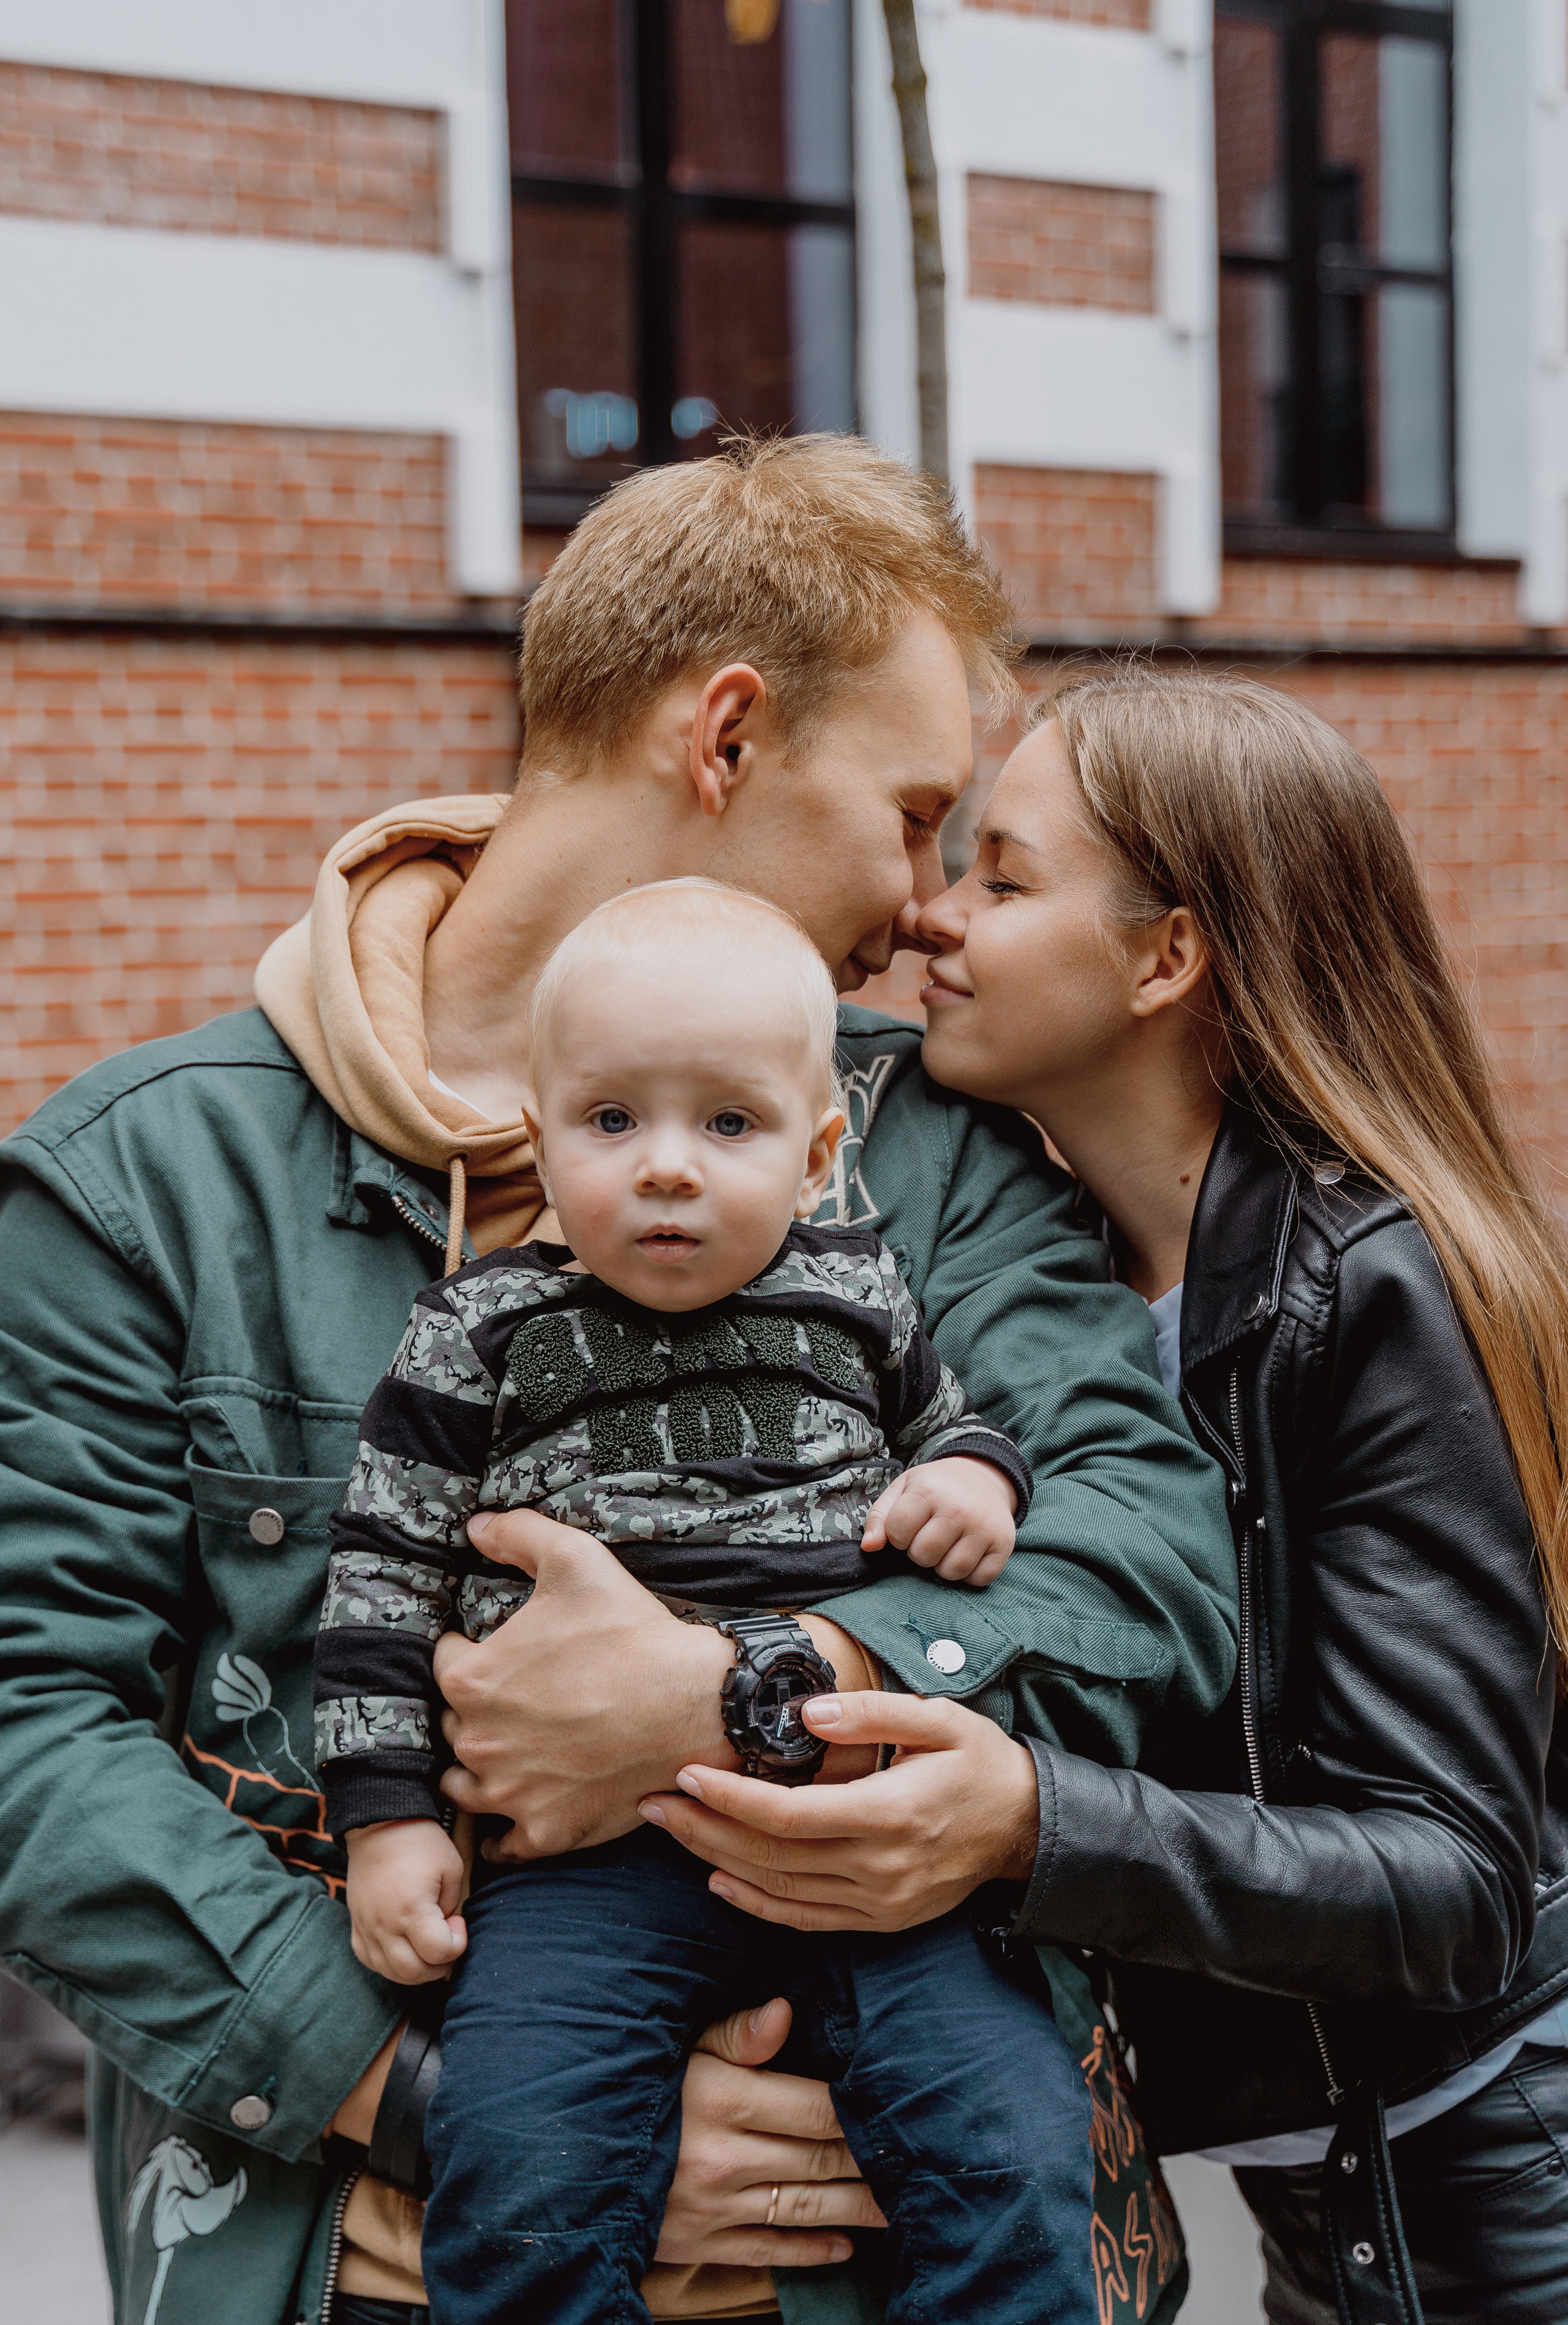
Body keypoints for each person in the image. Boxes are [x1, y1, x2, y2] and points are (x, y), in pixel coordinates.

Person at [0, 443, 1235, 2325]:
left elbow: (1154, 1558)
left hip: (919, 2258)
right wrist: (447, 2110)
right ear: (727, 737)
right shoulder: (139, 1189)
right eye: (913, 813)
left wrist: (769, 1684)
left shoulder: (921, 1152)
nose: (922, 903)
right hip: (381, 2265)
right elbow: (29, 1723)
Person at [649, 667, 1568, 2324]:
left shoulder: (1372, 1292)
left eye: (1001, 877)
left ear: (1168, 955)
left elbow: (1457, 1880)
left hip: (1494, 2194)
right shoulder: (1041, 1282)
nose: (934, 916)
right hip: (1331, 2187)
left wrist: (1027, 1821)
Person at [320, 877, 1096, 2325]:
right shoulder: (476, 1332)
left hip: (867, 1848)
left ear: (813, 1156)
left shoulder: (859, 1295)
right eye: (612, 1120)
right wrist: (389, 1816)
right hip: (587, 1865)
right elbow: (380, 1574)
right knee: (520, 2156)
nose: (666, 1166)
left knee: (1013, 2144)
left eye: (726, 1124)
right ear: (539, 1134)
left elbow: (957, 1430)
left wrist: (977, 1483)